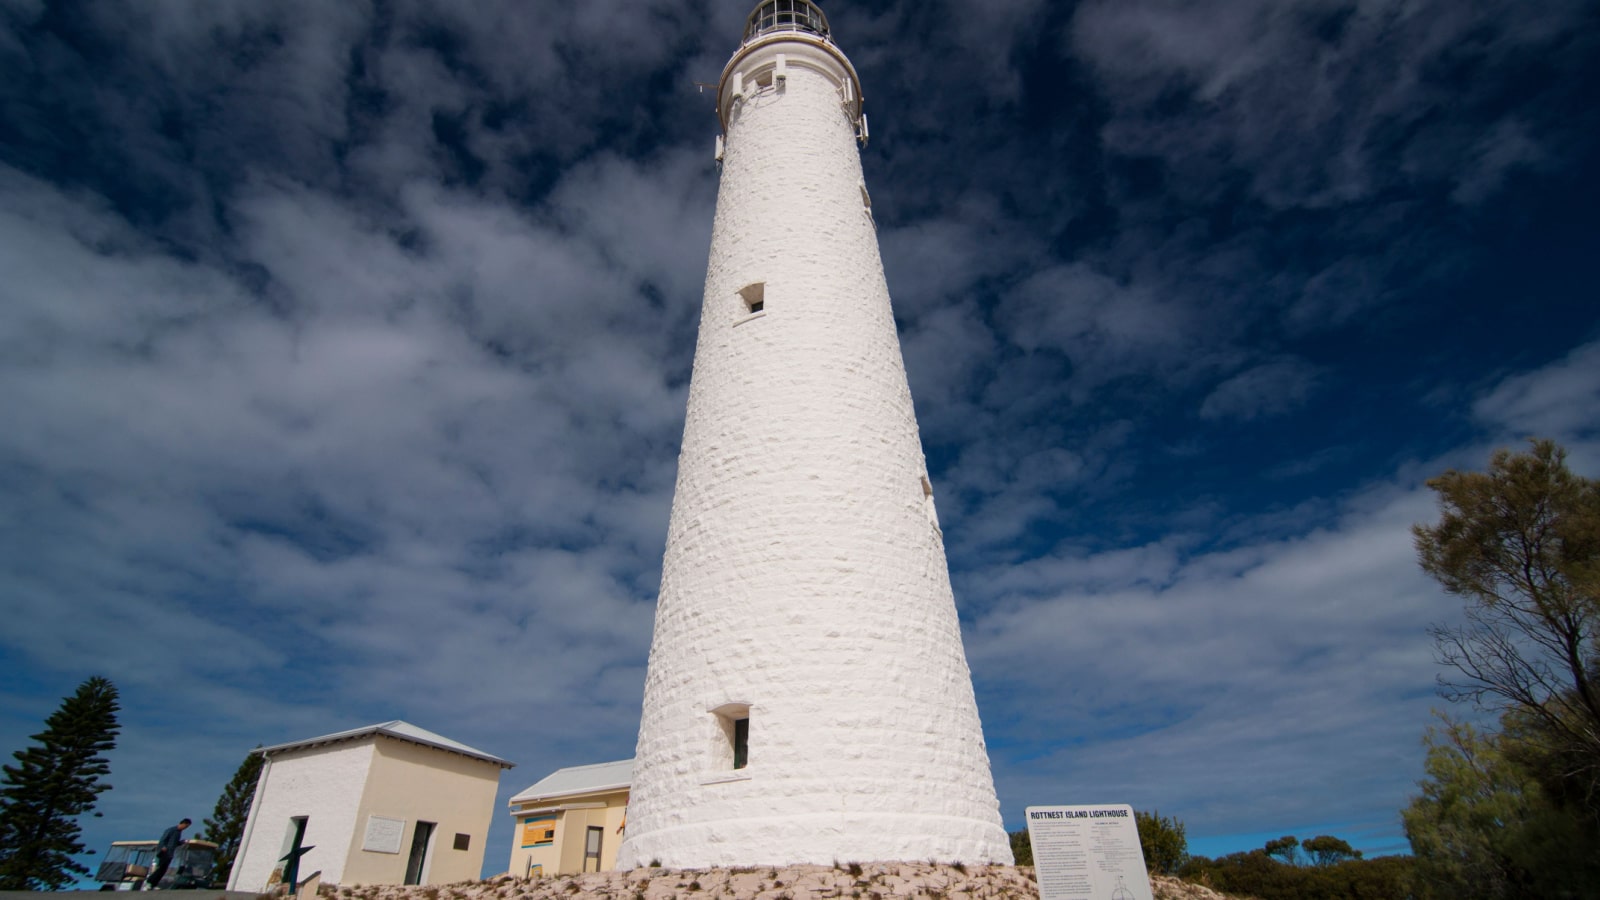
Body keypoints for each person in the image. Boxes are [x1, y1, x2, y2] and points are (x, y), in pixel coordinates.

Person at [144, 818, 190, 890]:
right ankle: (148, 882)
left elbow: (175, 843)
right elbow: (163, 839)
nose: (185, 828)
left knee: (164, 870)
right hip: (164, 852)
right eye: (186, 826)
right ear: (183, 824)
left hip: (170, 853)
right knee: (160, 868)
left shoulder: (179, 833)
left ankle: (154, 884)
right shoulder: (171, 830)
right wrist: (163, 847)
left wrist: (181, 842)